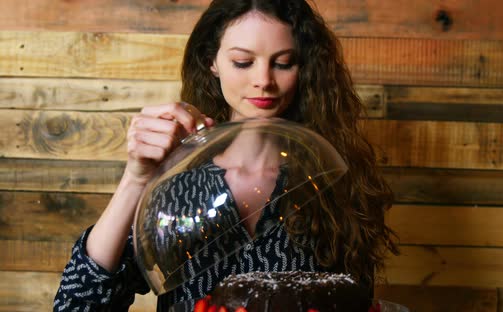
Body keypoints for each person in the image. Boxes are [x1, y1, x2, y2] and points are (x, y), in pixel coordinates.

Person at [54, 0, 398, 310]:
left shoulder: (330, 180)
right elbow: (78, 305)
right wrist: (136, 178)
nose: (263, 80)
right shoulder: (176, 184)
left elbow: (352, 301)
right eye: (243, 62)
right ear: (212, 62)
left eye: (283, 63)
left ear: (304, 68)